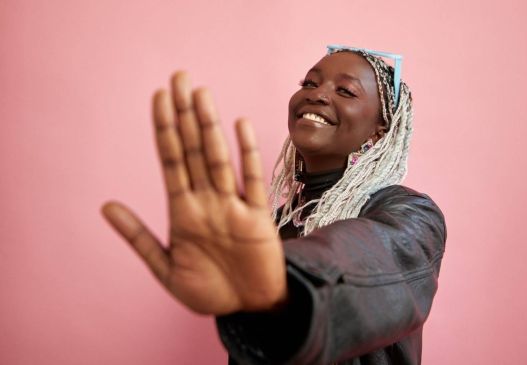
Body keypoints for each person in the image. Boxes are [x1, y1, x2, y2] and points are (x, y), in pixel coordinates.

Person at [102, 45, 447, 365]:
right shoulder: (268, 228)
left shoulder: (411, 216)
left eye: (345, 91)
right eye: (309, 83)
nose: (318, 94)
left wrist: (281, 280)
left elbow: (373, 260)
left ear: (379, 129)